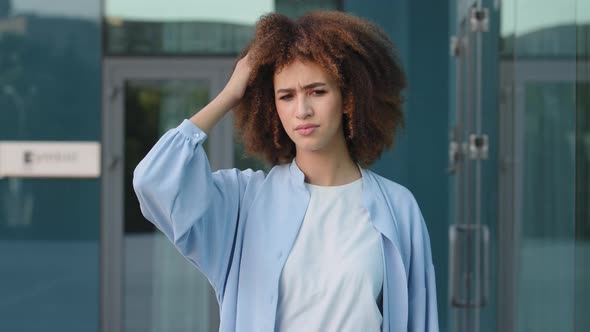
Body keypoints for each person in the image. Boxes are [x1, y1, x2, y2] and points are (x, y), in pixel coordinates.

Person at [133, 11, 439, 332]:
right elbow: (152, 180)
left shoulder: (398, 207)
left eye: (317, 91)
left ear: (349, 98)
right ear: (272, 107)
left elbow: (420, 321)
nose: (302, 110)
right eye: (286, 96)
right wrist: (231, 94)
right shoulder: (243, 203)